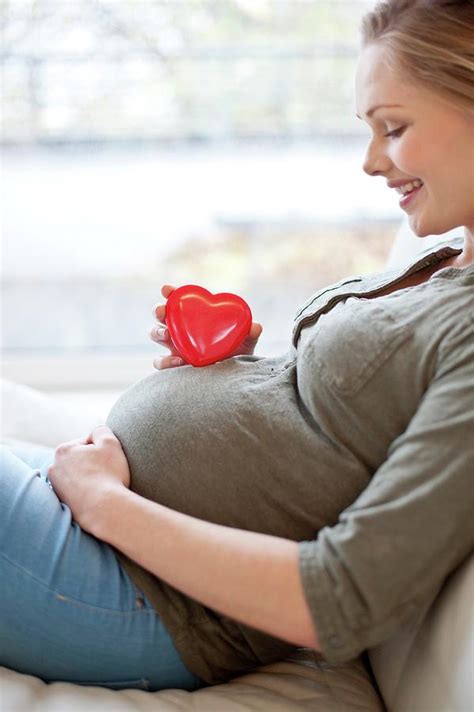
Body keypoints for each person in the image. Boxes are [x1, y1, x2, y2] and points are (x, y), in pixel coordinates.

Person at [1, 0, 473, 693]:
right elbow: (336, 429)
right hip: (101, 521)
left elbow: (341, 597)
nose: (372, 162)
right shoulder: (447, 259)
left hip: (135, 592)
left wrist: (104, 503)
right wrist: (235, 373)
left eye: (392, 129)